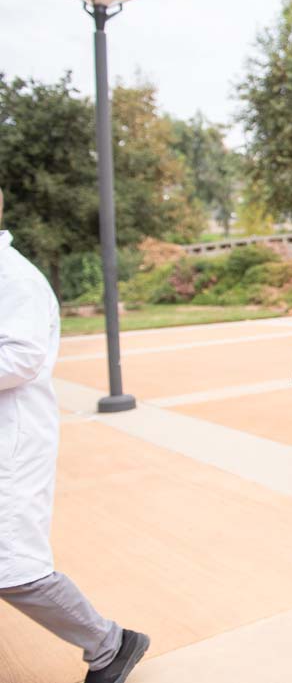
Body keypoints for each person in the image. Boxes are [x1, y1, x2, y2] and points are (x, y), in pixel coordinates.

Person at [0, 188, 150, 683]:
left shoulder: (14, 277)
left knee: (12, 564)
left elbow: (22, 357)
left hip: (12, 444)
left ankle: (110, 643)